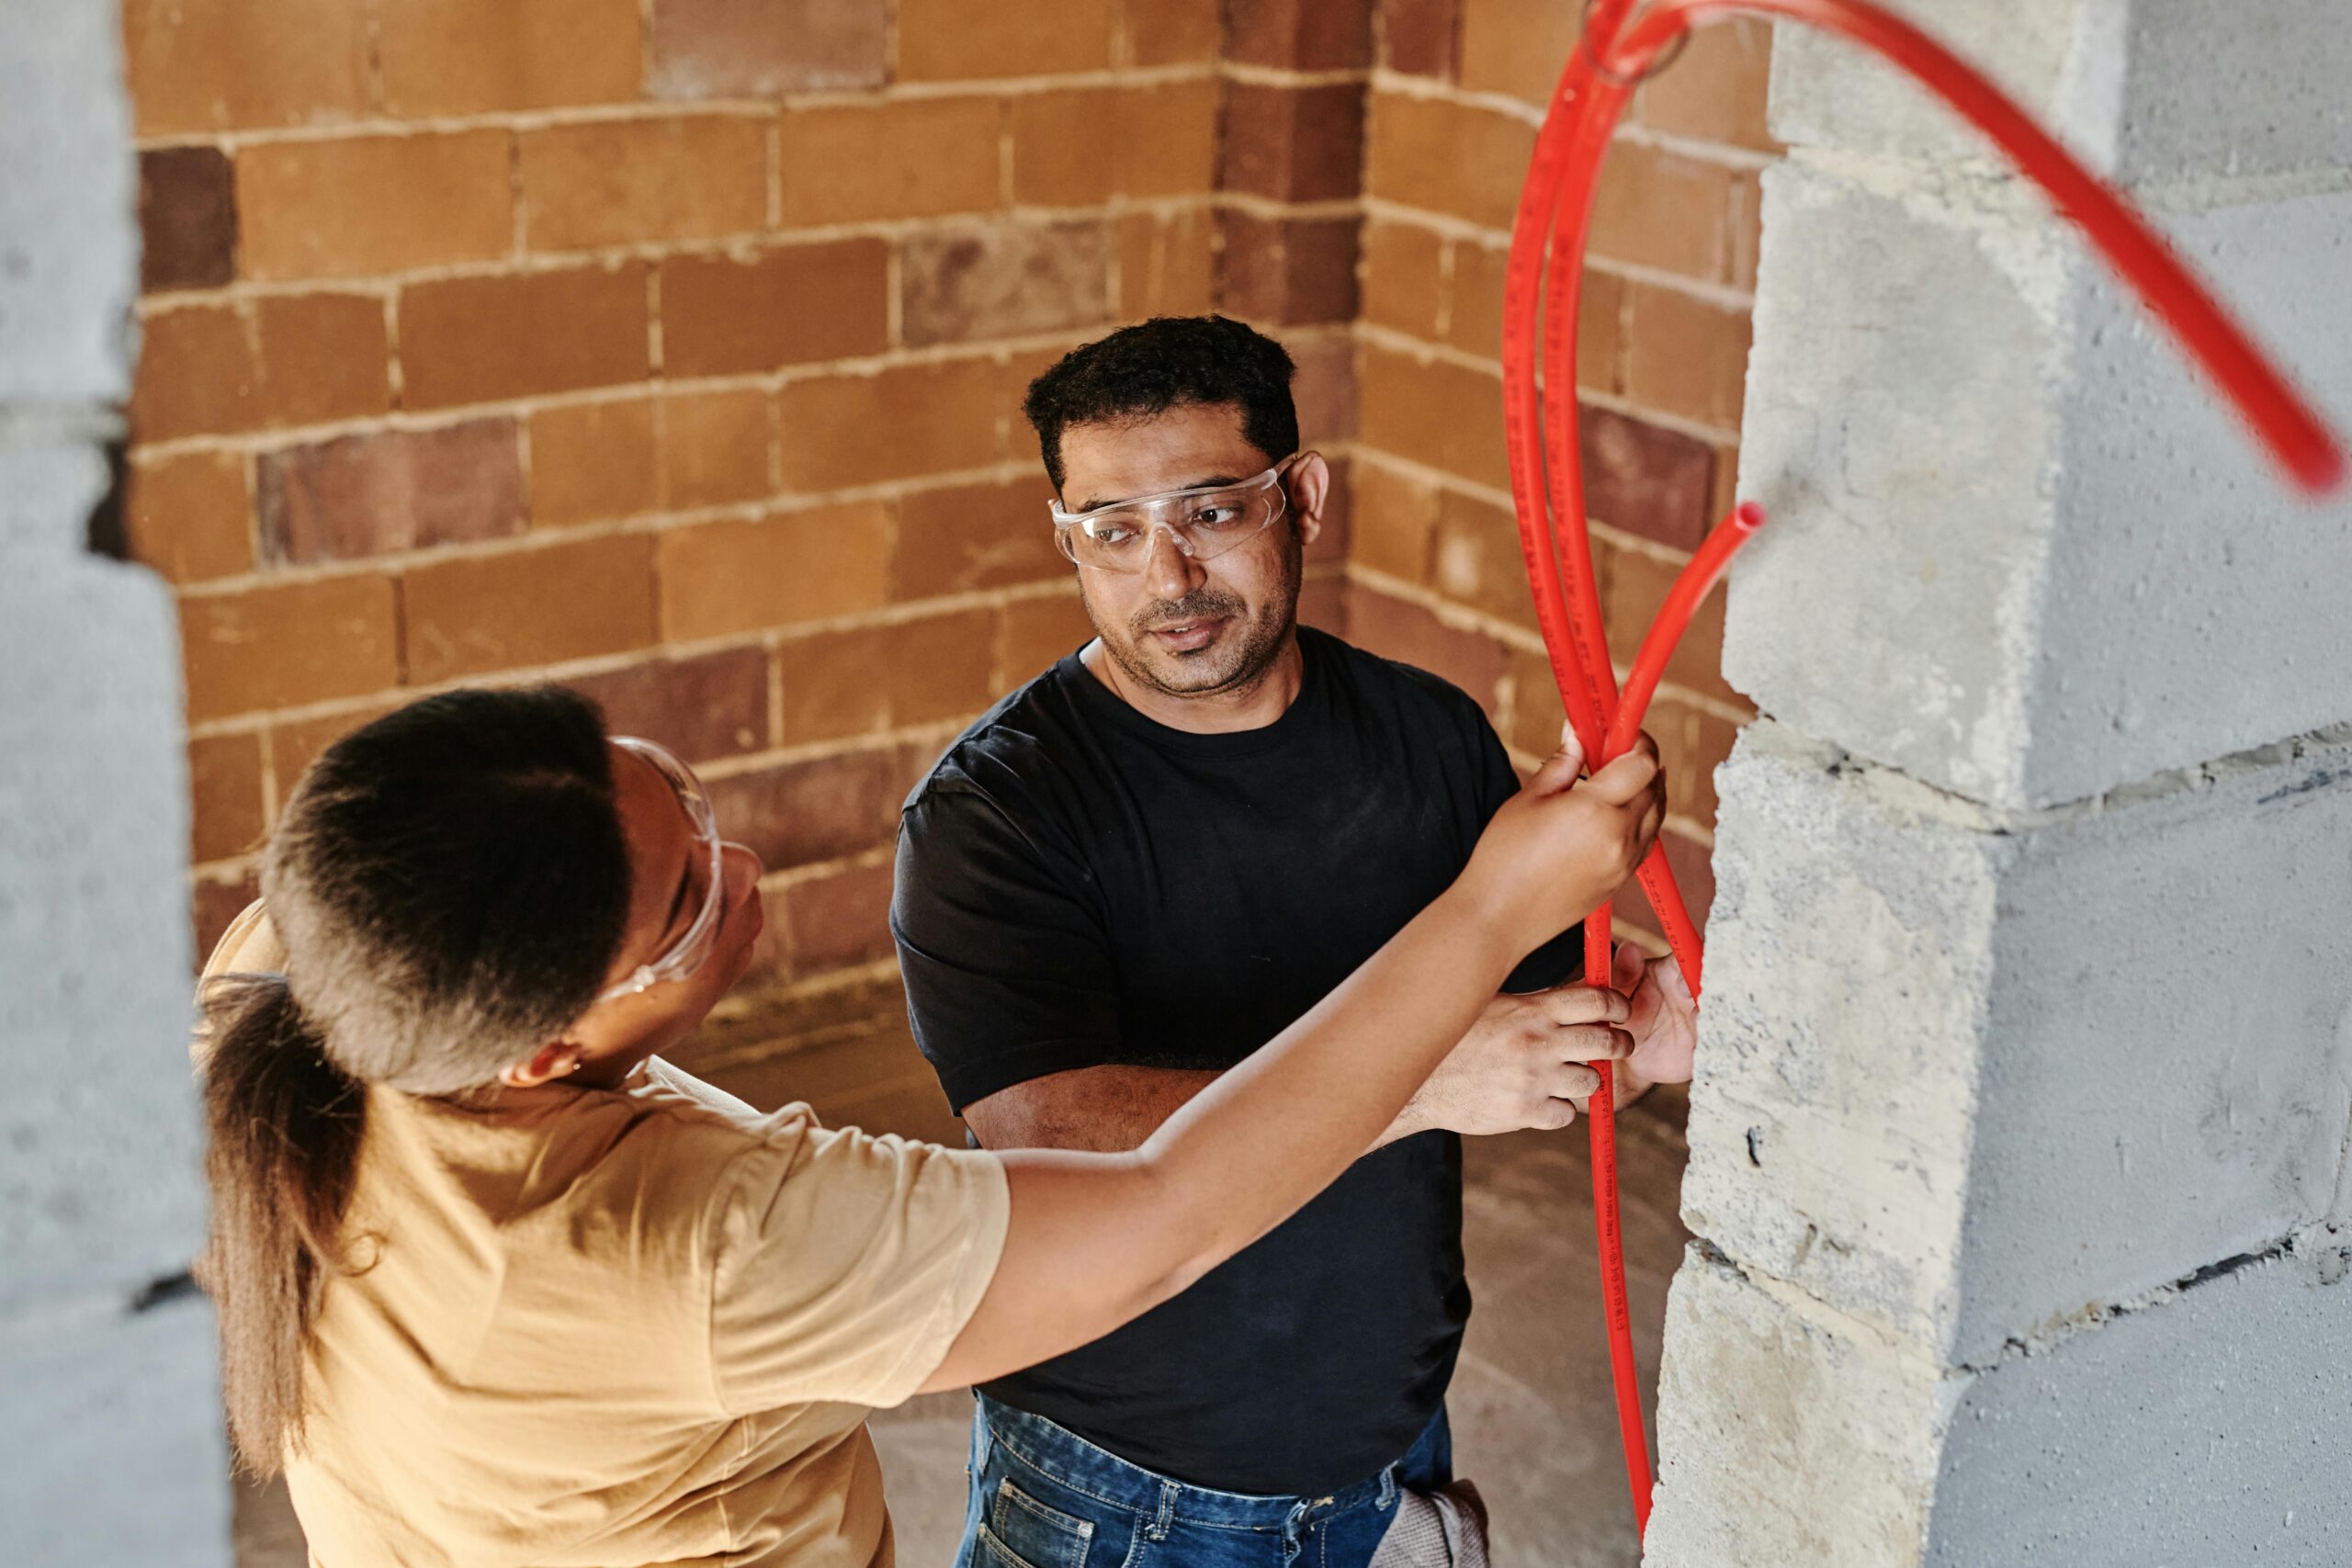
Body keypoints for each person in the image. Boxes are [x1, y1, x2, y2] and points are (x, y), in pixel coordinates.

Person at [194, 682, 1665, 1567]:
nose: (744, 857)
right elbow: (1164, 1217)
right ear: (540, 1053)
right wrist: (1486, 917)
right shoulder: (697, 1249)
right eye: (688, 899)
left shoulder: (292, 970)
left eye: (679, 791)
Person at [890, 315, 1702, 1568]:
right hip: (1130, 1494)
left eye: (1211, 512)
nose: (1168, 577)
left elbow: (1533, 1043)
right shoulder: (994, 813)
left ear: (1302, 497)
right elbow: (1048, 1137)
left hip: (1390, 1450)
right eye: (1111, 531)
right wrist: (1430, 1078)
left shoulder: (1428, 738)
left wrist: (1643, 1034)